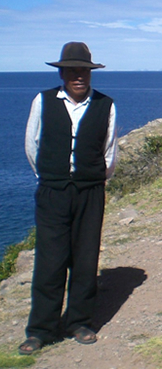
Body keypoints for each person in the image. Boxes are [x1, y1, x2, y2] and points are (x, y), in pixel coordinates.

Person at [21, 42, 117, 354]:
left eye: (84, 71)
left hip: (90, 191)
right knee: (50, 260)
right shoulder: (44, 100)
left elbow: (109, 153)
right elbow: (32, 145)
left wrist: (89, 179)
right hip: (53, 191)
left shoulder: (106, 105)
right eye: (73, 71)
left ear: (91, 74)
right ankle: (41, 329)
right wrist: (51, 176)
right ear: (62, 73)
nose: (79, 76)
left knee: (86, 258)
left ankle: (79, 321)